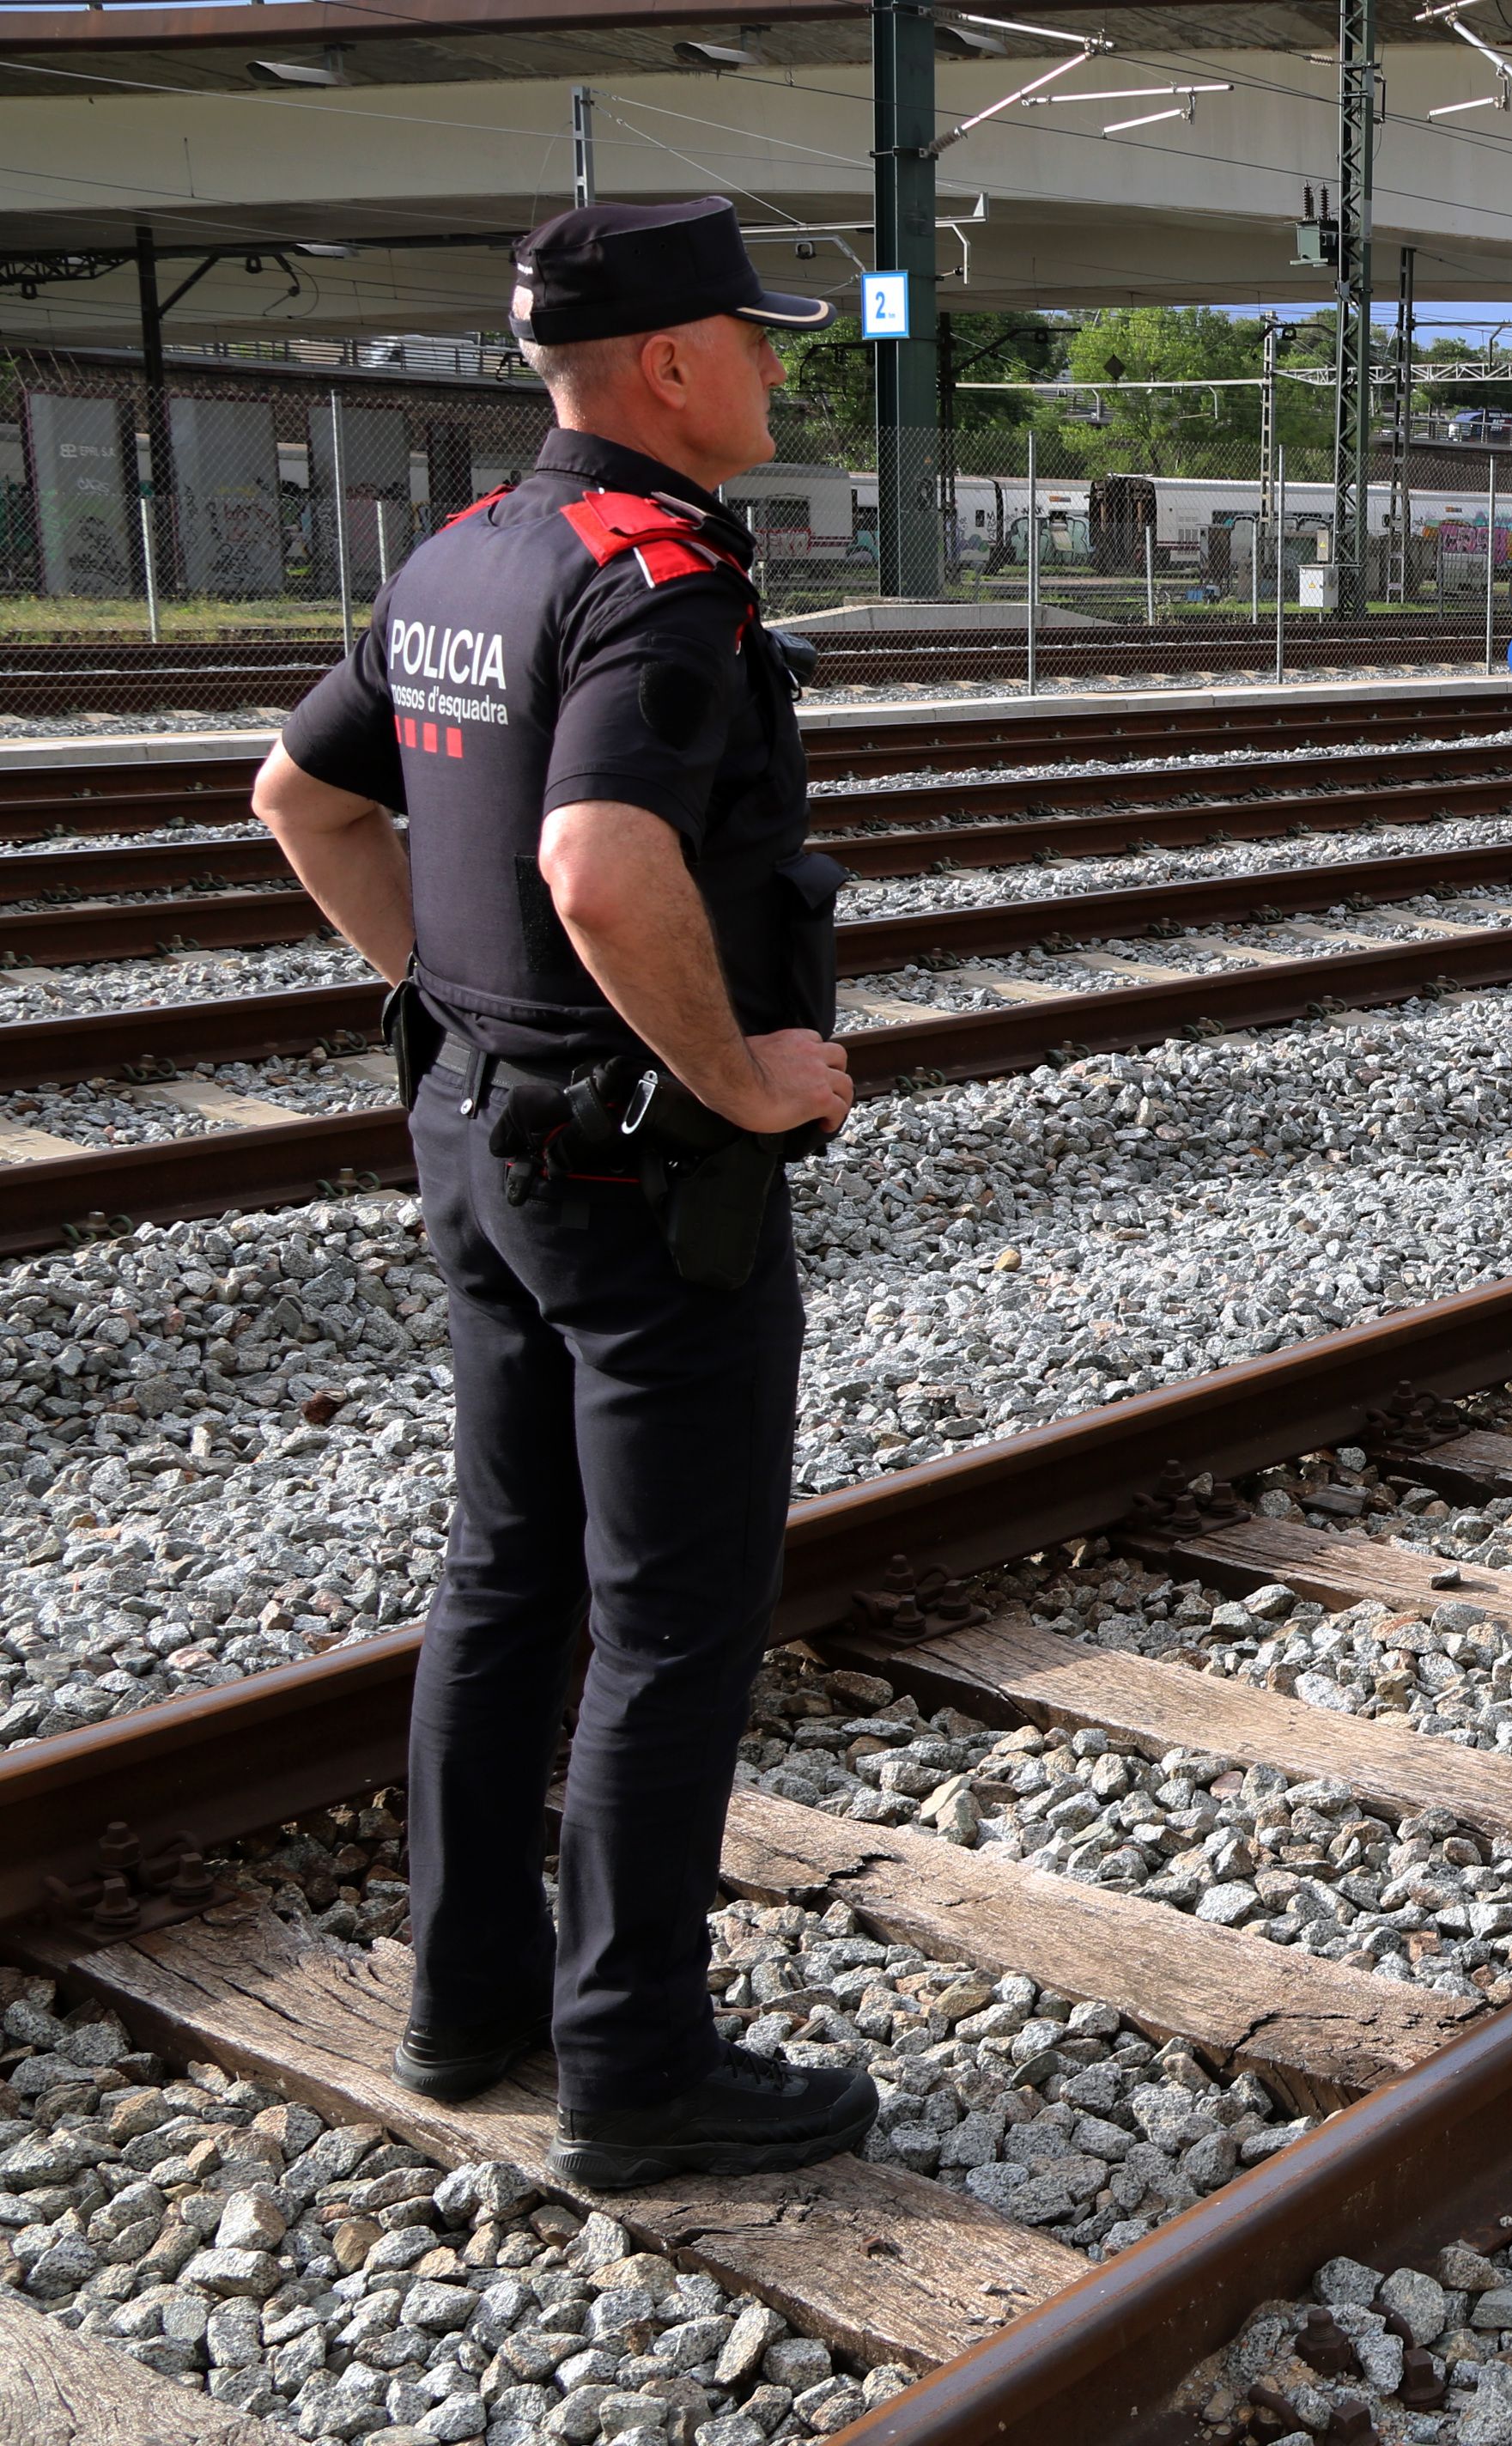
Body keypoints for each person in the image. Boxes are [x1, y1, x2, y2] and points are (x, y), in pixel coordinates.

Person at [253, 198, 872, 2188]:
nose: (781, 367)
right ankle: (636, 2063)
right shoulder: (654, 579)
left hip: (476, 1136)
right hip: (636, 1171)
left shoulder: (461, 550)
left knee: (503, 1573)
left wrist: (455, 1003)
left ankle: (469, 1999)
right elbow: (607, 863)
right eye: (758, 340)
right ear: (675, 361)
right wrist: (744, 1073)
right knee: (670, 1618)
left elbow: (305, 793)